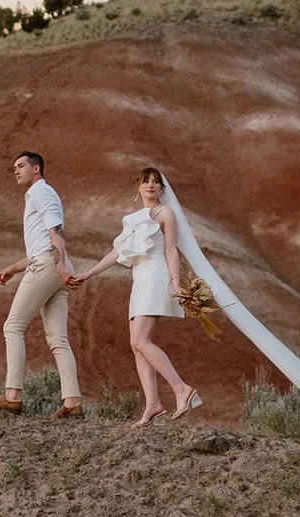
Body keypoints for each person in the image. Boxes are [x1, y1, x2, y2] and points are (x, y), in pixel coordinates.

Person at [69, 166, 203, 425]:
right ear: (138, 187)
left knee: (141, 340)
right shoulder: (132, 219)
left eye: (155, 182)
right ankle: (153, 404)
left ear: (162, 189)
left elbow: (171, 250)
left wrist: (175, 283)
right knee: (135, 343)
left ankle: (182, 389)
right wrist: (89, 273)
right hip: (140, 279)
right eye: (145, 181)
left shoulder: (166, 213)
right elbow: (117, 253)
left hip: (156, 276)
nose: (150, 185)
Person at [0, 150, 84, 418]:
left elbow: (56, 232)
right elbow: (42, 243)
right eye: (14, 166)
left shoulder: (41, 192)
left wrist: (58, 266)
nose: (16, 170)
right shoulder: (40, 194)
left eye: (21, 166)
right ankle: (72, 401)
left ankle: (12, 396)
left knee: (12, 326)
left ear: (36, 169)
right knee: (57, 338)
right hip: (51, 262)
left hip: (50, 264)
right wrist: (14, 268)